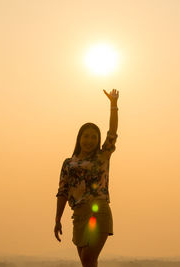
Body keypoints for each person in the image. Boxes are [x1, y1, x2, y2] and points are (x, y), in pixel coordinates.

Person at [54, 89, 119, 267]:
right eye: (86, 136)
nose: (89, 140)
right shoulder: (68, 163)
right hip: (79, 216)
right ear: (79, 138)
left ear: (98, 140)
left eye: (93, 137)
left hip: (99, 212)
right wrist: (57, 219)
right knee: (87, 263)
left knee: (89, 259)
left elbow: (112, 133)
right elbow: (63, 192)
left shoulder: (101, 156)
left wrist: (113, 105)